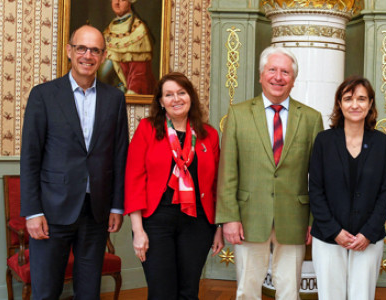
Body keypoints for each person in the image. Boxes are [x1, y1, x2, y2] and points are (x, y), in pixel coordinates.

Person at [20, 25, 128, 300]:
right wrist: (32, 212)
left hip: (96, 212)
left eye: (95, 50)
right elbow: (31, 158)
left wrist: (117, 205)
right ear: (69, 51)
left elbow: (118, 155)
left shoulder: (114, 98)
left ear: (103, 56)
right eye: (82, 48)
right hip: (51, 212)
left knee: (89, 292)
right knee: (45, 292)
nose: (87, 55)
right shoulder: (43, 95)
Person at [215, 45, 324, 300]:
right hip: (248, 217)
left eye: (285, 72)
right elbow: (228, 169)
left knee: (289, 290)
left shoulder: (311, 118)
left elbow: (318, 178)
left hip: (294, 219)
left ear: (293, 80)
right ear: (261, 75)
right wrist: (229, 217)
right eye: (272, 70)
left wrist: (313, 221)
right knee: (247, 289)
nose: (278, 77)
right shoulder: (238, 114)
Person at [124, 72, 224, 299]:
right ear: (160, 101)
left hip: (198, 223)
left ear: (190, 97)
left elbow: (218, 185)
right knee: (161, 292)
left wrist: (218, 228)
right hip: (156, 222)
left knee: (188, 291)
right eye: (169, 94)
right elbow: (134, 179)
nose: (176, 99)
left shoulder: (209, 135)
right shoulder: (147, 129)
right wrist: (138, 231)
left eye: (181, 92)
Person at [308, 77, 386, 300]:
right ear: (339, 104)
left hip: (368, 237)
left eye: (361, 99)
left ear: (370, 103)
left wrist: (368, 232)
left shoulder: (382, 143)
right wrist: (334, 231)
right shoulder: (324, 141)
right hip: (328, 237)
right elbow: (315, 190)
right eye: (348, 99)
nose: (355, 104)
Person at [101, 0, 155, 94]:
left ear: (130, 2)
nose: (117, 2)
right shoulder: (109, 30)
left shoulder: (139, 30)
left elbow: (140, 73)